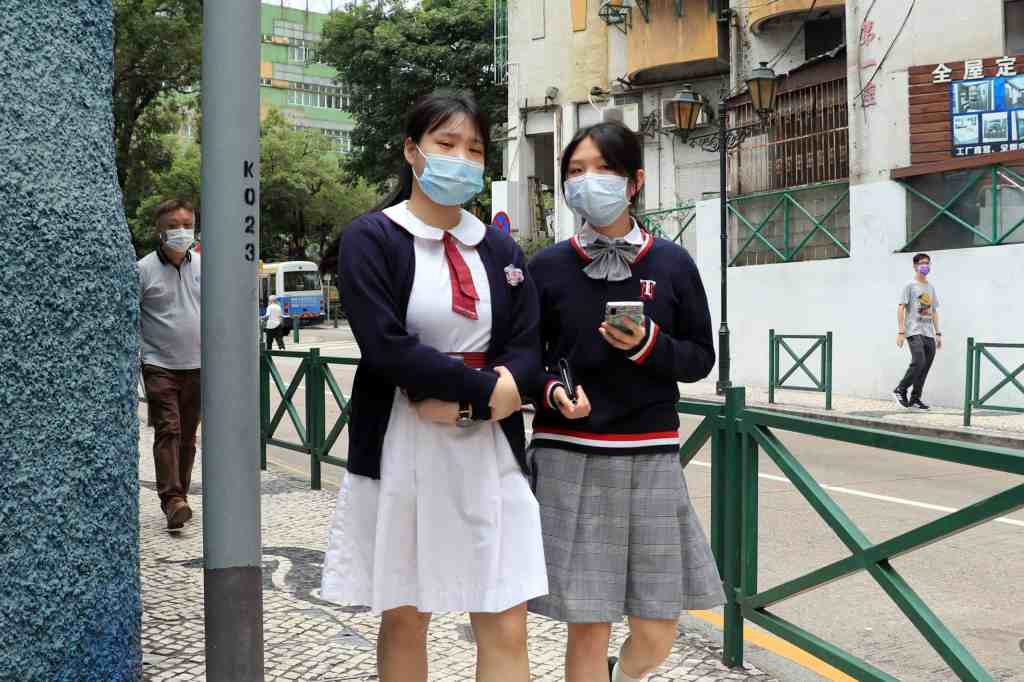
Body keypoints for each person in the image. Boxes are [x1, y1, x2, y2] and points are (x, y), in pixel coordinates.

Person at [319, 90, 547, 682]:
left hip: (490, 447)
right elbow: (384, 344)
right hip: (403, 444)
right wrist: (481, 389)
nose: (461, 159)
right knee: (406, 614)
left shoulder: (497, 246)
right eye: (446, 144)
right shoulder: (372, 238)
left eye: (474, 148)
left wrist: (497, 389)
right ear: (412, 151)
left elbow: (528, 340)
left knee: (504, 612)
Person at [527, 121, 725, 682]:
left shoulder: (672, 264)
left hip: (651, 454)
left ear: (635, 181)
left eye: (603, 170)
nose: (588, 182)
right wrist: (551, 391)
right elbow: (526, 359)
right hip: (570, 454)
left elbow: (699, 358)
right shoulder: (547, 268)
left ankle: (625, 675)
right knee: (587, 625)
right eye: (575, 171)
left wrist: (649, 346)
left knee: (657, 627)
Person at [138, 199, 201, 530]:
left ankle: (181, 499)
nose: (181, 231)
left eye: (186, 224)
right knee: (169, 430)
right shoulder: (143, 270)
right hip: (159, 365)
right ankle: (172, 499)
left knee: (188, 437)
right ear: (159, 231)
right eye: (174, 225)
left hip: (199, 367)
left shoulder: (204, 266)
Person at [893, 253, 941, 409]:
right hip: (913, 330)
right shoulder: (910, 285)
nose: (925, 266)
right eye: (922, 263)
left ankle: (915, 398)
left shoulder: (930, 287)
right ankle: (900, 389)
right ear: (915, 266)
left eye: (928, 263)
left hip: (928, 332)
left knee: (925, 366)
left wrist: (938, 333)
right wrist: (901, 332)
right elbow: (901, 307)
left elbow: (933, 311)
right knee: (918, 361)